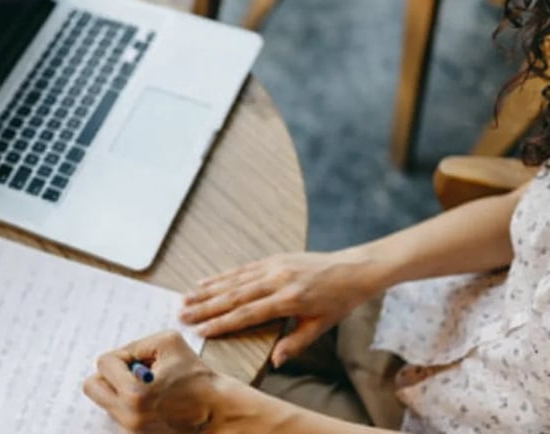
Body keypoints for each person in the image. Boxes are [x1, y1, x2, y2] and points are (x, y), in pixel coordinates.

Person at [84, 1, 550, 432]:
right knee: (172, 304)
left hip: (421, 422)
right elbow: (526, 208)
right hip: (426, 317)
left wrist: (218, 406)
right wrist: (357, 267)